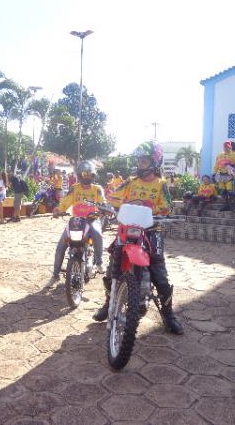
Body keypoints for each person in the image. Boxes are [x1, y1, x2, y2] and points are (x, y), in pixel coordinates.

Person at [93, 141, 183, 335]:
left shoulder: (161, 184)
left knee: (160, 276)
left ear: (154, 162)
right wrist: (114, 205)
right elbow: (113, 197)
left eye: (144, 160)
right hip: (128, 230)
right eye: (139, 160)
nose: (140, 164)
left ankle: (168, 315)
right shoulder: (130, 181)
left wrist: (152, 207)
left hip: (151, 231)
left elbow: (168, 206)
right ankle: (109, 304)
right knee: (111, 270)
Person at [48, 160, 106, 285]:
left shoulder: (97, 189)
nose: (86, 177)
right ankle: (55, 275)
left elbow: (103, 202)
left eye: (89, 174)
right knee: (61, 246)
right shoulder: (74, 188)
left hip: (92, 220)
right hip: (76, 220)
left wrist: (104, 209)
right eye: (83, 174)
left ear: (93, 175)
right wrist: (58, 210)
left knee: (97, 234)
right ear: (79, 175)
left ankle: (100, 262)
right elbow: (65, 201)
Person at [213, 140, 235, 211]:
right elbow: (216, 165)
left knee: (230, 191)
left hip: (229, 176)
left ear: (230, 147)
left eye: (228, 147)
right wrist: (214, 173)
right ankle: (226, 206)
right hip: (221, 176)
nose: (226, 148)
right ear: (223, 147)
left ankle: (233, 207)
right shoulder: (219, 155)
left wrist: (232, 164)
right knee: (222, 192)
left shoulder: (234, 154)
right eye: (225, 147)